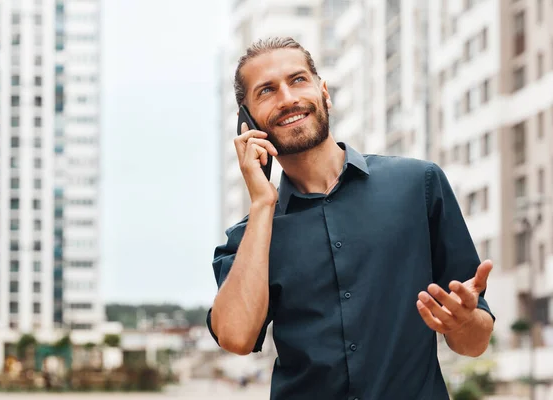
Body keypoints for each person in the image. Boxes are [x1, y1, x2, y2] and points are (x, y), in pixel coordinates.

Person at [206, 37, 495, 400]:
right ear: (246, 124)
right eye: (266, 91)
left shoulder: (417, 185)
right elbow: (234, 337)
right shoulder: (250, 238)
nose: (287, 98)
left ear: (324, 92)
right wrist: (262, 203)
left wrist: (465, 321)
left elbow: (474, 343)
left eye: (297, 80)